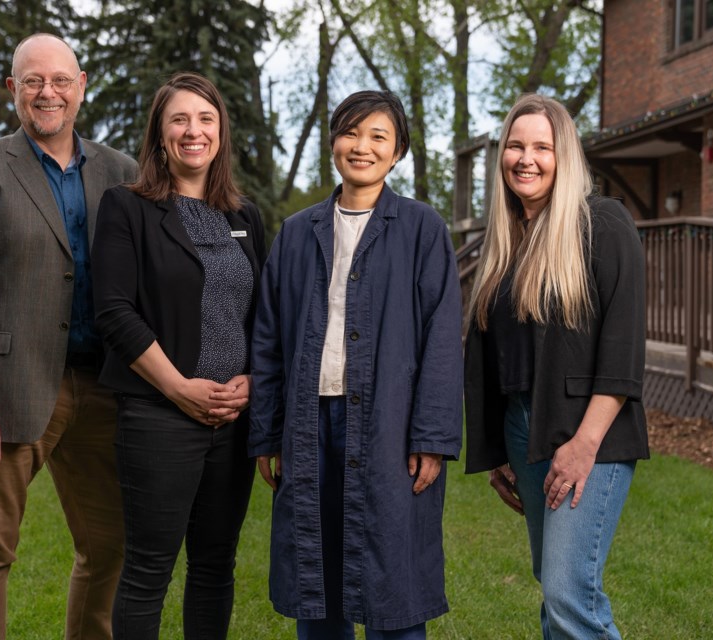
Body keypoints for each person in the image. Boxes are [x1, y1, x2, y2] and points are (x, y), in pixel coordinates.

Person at [0, 33, 138, 640]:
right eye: (35, 81)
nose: (49, 93)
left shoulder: (122, 172)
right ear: (14, 90)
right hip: (7, 393)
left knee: (110, 548)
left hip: (104, 390)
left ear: (82, 86)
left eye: (61, 81)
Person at [249, 90, 463, 639]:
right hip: (308, 424)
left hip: (389, 425)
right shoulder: (297, 234)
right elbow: (269, 339)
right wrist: (266, 434)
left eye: (378, 137)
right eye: (350, 133)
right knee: (315, 574)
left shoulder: (422, 230)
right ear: (333, 143)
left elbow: (443, 338)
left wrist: (433, 437)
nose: (361, 146)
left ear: (397, 154)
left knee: (392, 575)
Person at [463, 94, 648, 639]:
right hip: (525, 429)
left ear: (563, 155)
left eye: (542, 147)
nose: (527, 158)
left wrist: (584, 444)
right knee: (555, 588)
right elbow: (500, 359)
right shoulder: (506, 242)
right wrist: (499, 449)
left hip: (588, 430)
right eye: (516, 145)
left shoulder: (602, 223)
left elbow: (623, 348)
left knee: (570, 596)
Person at [90, 71, 266, 639]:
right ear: (160, 135)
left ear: (221, 133)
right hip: (158, 417)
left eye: (206, 119)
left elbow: (265, 316)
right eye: (180, 120)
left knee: (215, 567)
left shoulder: (246, 216)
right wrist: (179, 388)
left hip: (233, 422)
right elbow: (115, 312)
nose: (194, 131)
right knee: (148, 572)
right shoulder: (128, 209)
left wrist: (251, 380)